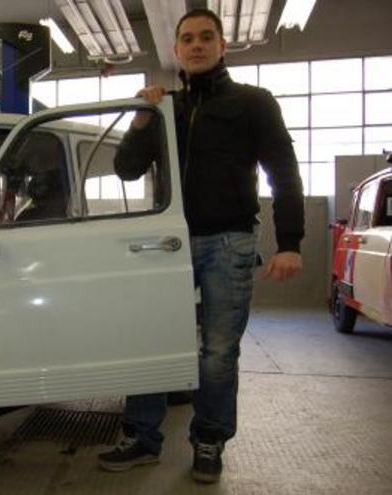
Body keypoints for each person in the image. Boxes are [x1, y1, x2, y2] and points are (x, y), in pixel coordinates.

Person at [97, 8, 305, 484]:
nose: (196, 45)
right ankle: (142, 438)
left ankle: (209, 440)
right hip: (165, 244)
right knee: (149, 341)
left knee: (217, 350)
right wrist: (140, 121)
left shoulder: (254, 102)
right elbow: (127, 169)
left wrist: (289, 242)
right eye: (187, 38)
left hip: (229, 240)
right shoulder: (163, 108)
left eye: (205, 37)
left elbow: (284, 172)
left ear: (221, 45)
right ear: (176, 49)